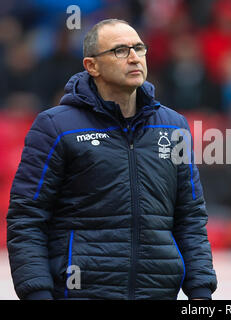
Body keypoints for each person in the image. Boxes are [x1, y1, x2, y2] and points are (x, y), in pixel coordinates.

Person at [6, 19, 217, 300]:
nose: (134, 58)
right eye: (120, 51)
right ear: (92, 66)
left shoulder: (173, 126)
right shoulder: (55, 127)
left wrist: (201, 293)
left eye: (139, 48)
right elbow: (27, 218)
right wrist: (37, 294)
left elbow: (190, 218)